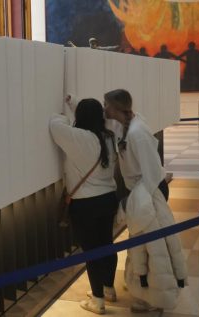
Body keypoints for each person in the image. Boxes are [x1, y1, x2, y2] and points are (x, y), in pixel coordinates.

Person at [103, 89, 187, 313]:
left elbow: (151, 174)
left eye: (107, 105)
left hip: (148, 194)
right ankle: (142, 288)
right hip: (141, 195)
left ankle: (153, 299)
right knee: (140, 246)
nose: (105, 109)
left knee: (154, 250)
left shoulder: (137, 132)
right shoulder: (126, 125)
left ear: (117, 107)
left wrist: (136, 201)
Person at [49, 98, 118, 315]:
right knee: (107, 244)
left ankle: (97, 300)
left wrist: (64, 111)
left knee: (91, 252)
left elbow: (54, 125)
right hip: (108, 199)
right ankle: (108, 289)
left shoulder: (79, 137)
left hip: (86, 204)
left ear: (81, 117)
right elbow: (89, 116)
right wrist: (75, 105)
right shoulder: (108, 136)